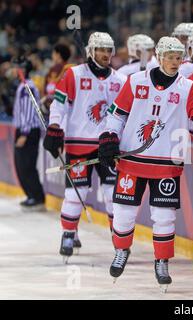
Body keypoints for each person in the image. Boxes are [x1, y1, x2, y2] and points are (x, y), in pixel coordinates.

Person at [99, 37, 193, 291]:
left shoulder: (188, 86)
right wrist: (109, 137)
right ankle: (121, 251)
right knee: (122, 212)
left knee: (164, 217)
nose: (176, 62)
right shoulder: (136, 81)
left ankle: (162, 261)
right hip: (132, 160)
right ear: (159, 55)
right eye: (171, 56)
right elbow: (116, 115)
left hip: (166, 162)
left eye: (179, 57)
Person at [44, 32, 127, 262]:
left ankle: (118, 241)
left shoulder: (120, 81)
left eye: (109, 50)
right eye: (101, 50)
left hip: (108, 146)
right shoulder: (74, 74)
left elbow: (125, 114)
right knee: (75, 193)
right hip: (78, 144)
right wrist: (54, 128)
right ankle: (68, 233)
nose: (106, 54)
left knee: (113, 195)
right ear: (91, 51)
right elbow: (59, 105)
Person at [12, 58, 45, 210]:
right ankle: (32, 195)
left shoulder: (27, 87)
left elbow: (28, 111)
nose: (13, 70)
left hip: (28, 130)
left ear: (22, 70)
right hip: (25, 130)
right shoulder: (23, 86)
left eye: (16, 68)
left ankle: (37, 197)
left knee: (27, 165)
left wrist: (24, 133)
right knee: (21, 165)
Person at [42, 43, 73, 115]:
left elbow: (50, 88)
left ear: (58, 54)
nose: (52, 56)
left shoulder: (56, 68)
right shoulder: (72, 68)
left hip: (55, 104)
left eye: (53, 53)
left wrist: (46, 98)